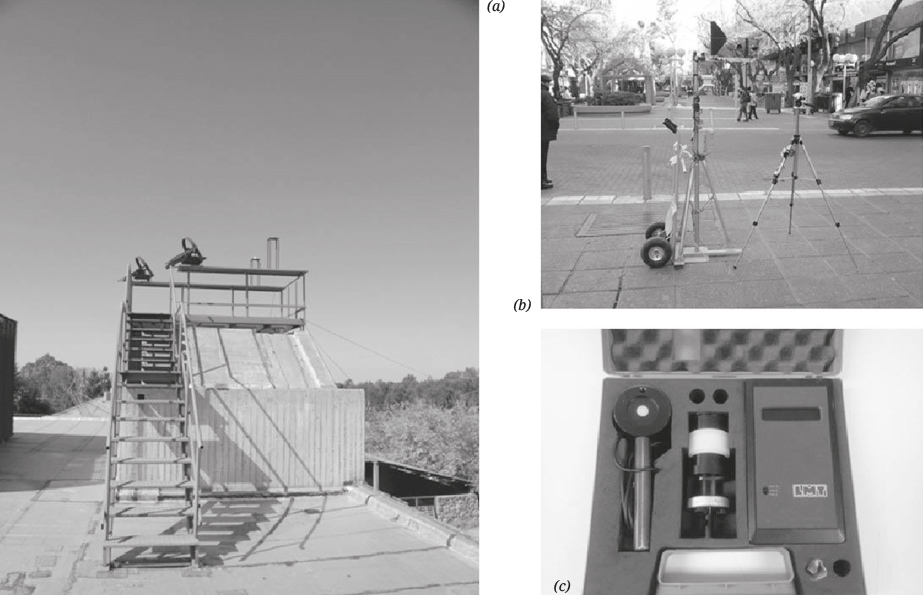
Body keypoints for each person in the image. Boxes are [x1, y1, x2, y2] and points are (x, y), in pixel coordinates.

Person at [541, 74, 560, 190]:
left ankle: (543, 178)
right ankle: (542, 180)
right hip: (543, 130)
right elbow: (552, 115)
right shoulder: (545, 95)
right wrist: (555, 126)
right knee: (542, 156)